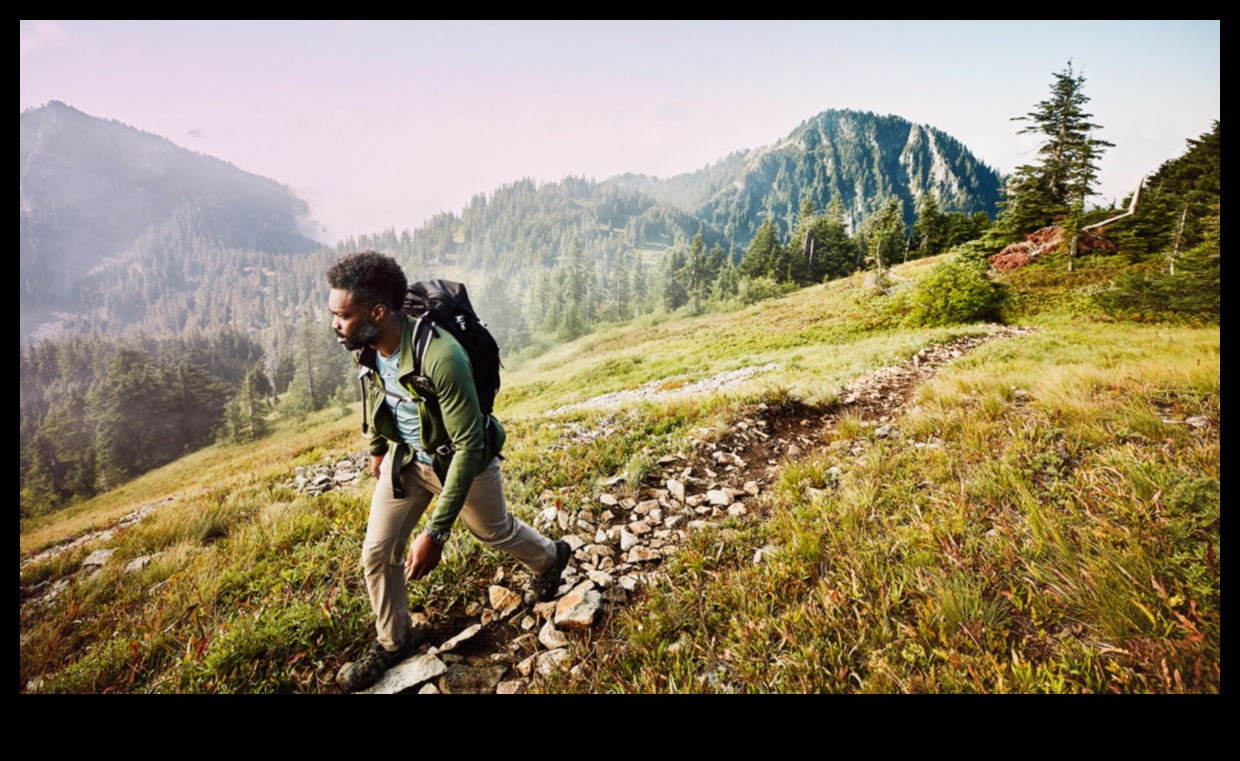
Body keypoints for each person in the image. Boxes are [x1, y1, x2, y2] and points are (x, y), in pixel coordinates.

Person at [326, 250, 569, 692]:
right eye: (334, 314)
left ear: (377, 313)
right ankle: (394, 641)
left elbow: (469, 444)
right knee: (378, 554)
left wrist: (436, 534)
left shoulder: (442, 356)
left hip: (461, 462)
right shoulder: (366, 343)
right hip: (407, 462)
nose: (335, 325)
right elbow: (382, 391)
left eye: (343, 315)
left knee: (494, 532)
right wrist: (380, 446)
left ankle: (552, 558)